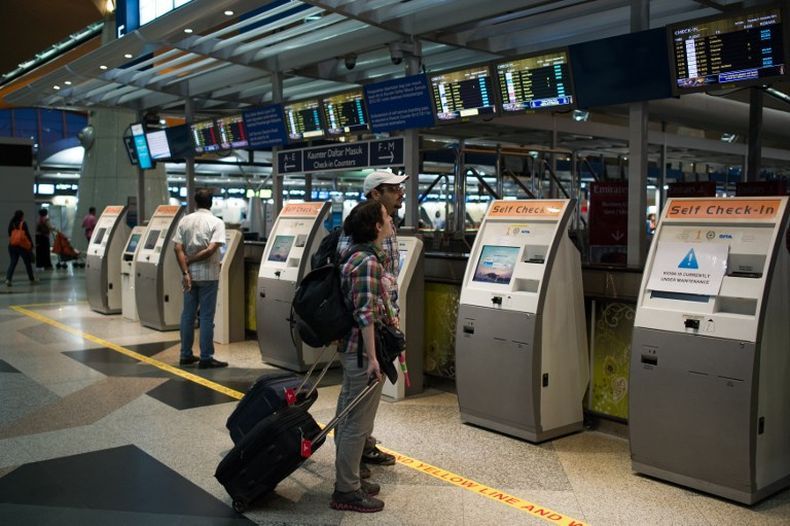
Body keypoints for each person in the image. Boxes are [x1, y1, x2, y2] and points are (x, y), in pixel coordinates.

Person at [337, 170, 406, 474]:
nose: (400, 194)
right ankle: (349, 466)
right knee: (356, 402)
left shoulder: (386, 227)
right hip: (365, 334)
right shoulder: (359, 232)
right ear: (376, 194)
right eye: (394, 189)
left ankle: (360, 448)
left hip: (380, 323)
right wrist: (373, 353)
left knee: (360, 402)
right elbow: (359, 294)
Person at [331, 200, 397, 513]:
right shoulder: (366, 262)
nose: (389, 220)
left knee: (348, 417)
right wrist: (373, 358)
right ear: (375, 227)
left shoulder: (355, 255)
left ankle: (350, 478)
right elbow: (366, 313)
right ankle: (346, 490)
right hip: (361, 351)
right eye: (385, 217)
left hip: (352, 348)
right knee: (357, 423)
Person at [173, 189, 227, 369]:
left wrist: (185, 271)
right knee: (205, 317)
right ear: (211, 203)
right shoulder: (217, 222)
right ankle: (205, 357)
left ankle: (185, 355)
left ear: (195, 203)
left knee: (187, 316)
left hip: (189, 276)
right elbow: (212, 250)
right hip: (209, 276)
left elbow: (177, 249)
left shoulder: (184, 221)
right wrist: (193, 259)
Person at [5, 210, 36, 286]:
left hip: (12, 245)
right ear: (22, 216)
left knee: (13, 262)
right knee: (27, 262)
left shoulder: (12, 223)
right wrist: (31, 244)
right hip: (21, 246)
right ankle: (31, 279)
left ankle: (8, 279)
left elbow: (9, 234)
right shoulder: (23, 223)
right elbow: (27, 234)